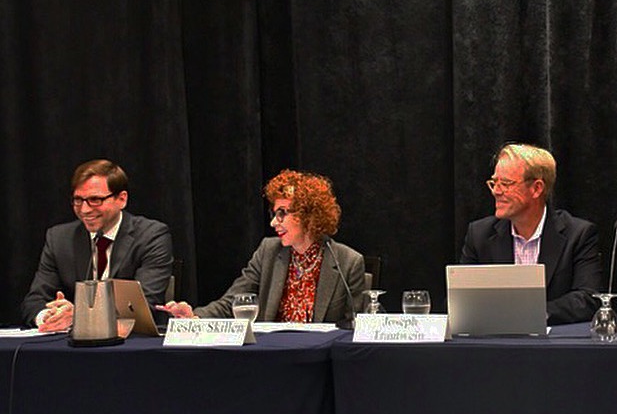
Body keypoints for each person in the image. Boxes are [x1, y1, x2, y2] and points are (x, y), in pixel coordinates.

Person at [159, 170, 365, 325]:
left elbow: (352, 328)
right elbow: (232, 302)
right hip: (272, 358)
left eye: (282, 213)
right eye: (274, 214)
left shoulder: (348, 262)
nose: (274, 223)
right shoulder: (269, 251)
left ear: (308, 215)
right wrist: (195, 316)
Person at [20, 159, 174, 331]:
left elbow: (142, 304)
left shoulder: (151, 236)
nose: (84, 210)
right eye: (78, 200)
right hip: (70, 346)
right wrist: (48, 317)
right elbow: (34, 300)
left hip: (130, 344)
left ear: (121, 199)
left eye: (95, 200)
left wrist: (79, 315)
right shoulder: (59, 239)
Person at [460, 143, 604, 325]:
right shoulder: (479, 234)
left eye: (505, 184)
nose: (496, 191)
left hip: (554, 346)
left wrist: (532, 315)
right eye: (494, 183)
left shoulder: (579, 234)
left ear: (537, 188)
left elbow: (588, 298)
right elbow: (461, 299)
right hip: (495, 343)